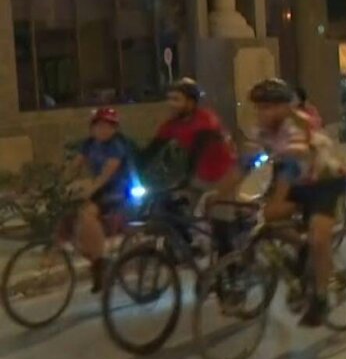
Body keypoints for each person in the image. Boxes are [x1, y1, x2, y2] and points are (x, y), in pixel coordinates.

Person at [248, 78, 346, 327]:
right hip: (299, 184)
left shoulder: (293, 130)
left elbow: (290, 166)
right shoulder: (263, 132)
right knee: (269, 220)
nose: (262, 113)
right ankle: (304, 253)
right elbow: (249, 164)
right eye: (259, 107)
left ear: (284, 108)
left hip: (325, 181)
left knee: (318, 237)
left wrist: (272, 201)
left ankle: (322, 299)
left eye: (268, 107)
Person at [137, 78, 239, 258]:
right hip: (199, 175)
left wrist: (181, 181)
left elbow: (196, 154)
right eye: (169, 99)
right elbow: (152, 150)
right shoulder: (172, 124)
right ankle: (189, 246)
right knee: (169, 206)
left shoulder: (206, 121)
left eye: (176, 99)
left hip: (222, 175)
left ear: (191, 102)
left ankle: (232, 271)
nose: (171, 104)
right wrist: (136, 172)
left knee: (220, 225)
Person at [71, 108, 132, 292]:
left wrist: (90, 189)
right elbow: (76, 164)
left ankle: (101, 263)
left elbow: (108, 172)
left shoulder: (116, 146)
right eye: (99, 126)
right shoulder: (89, 144)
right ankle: (96, 258)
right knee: (75, 223)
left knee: (88, 215)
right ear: (92, 128)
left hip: (118, 189)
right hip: (100, 189)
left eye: (108, 126)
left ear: (115, 129)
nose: (103, 130)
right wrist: (57, 182)